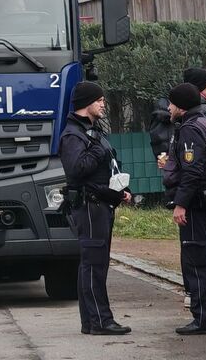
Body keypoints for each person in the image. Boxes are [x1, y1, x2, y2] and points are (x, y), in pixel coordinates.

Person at [59, 82, 132, 336]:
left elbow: (101, 169)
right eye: (98, 100)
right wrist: (98, 151)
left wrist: (117, 191)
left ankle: (92, 321)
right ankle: (101, 320)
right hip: (89, 207)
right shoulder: (72, 135)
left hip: (101, 203)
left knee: (95, 264)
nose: (103, 104)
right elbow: (77, 171)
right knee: (94, 265)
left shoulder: (92, 131)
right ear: (85, 103)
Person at [163, 83, 206, 335]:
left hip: (198, 206)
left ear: (180, 106)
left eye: (170, 103)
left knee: (198, 262)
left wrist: (180, 203)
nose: (168, 108)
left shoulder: (191, 129)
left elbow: (192, 172)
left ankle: (204, 319)